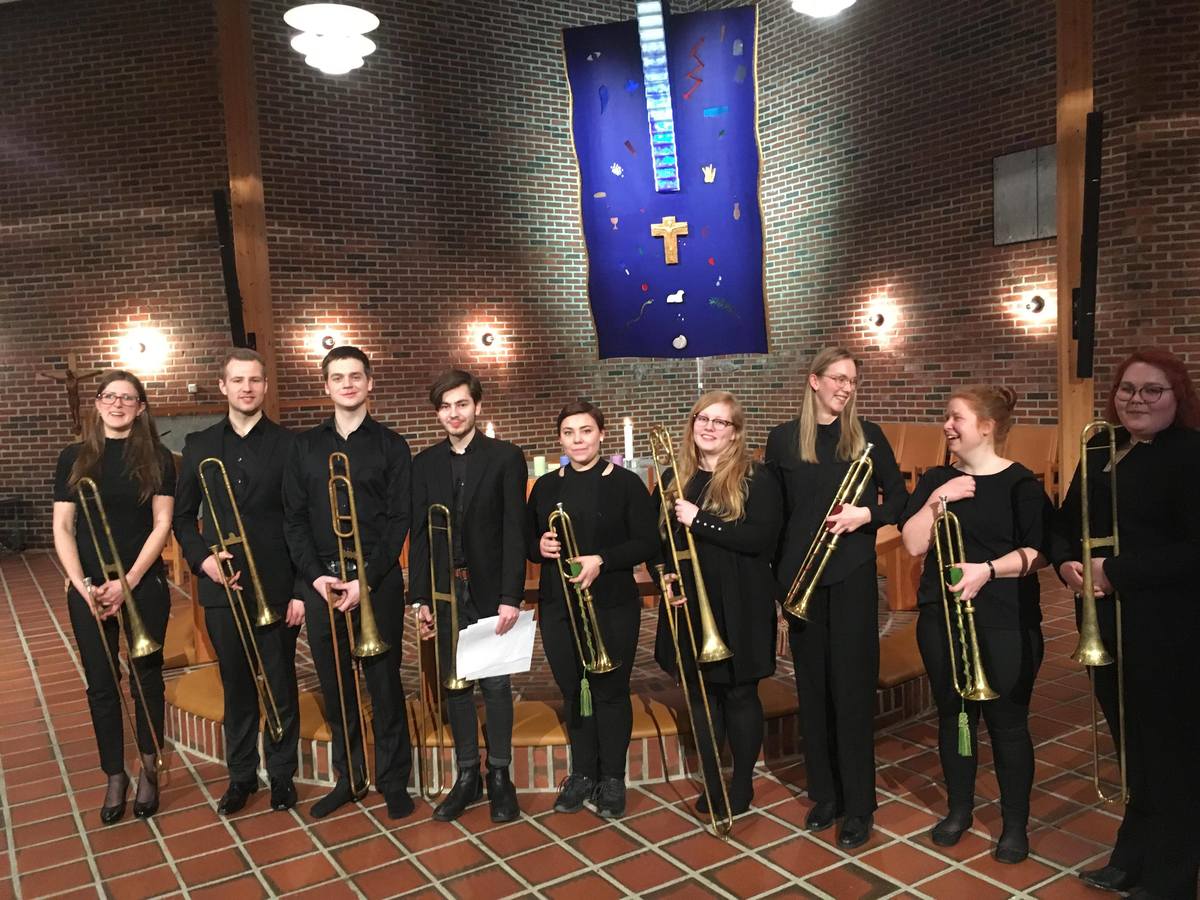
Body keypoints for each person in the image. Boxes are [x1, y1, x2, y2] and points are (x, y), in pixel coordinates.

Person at [1050, 348, 1200, 899]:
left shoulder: (1191, 453)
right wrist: (1065, 563)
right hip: (1104, 623)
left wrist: (1114, 572)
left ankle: (1171, 878)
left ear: (1176, 396)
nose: (1137, 399)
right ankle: (1131, 855)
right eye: (1128, 389)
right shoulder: (1099, 445)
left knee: (1170, 755)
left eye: (1152, 390)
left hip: (1167, 629)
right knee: (1130, 747)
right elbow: (1064, 522)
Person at [900, 386, 1049, 864]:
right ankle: (959, 810)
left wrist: (987, 570)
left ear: (987, 427)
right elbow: (913, 544)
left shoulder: (1021, 484)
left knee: (1008, 725)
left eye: (956, 417)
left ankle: (1014, 825)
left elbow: (1039, 552)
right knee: (954, 716)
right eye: (946, 417)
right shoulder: (938, 479)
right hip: (942, 620)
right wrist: (937, 499)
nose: (947, 425)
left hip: (1005, 620)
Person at [765, 346, 907, 849]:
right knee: (813, 691)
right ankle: (824, 794)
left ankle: (859, 805)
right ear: (814, 381)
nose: (846, 388)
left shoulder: (868, 436)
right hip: (801, 581)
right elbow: (776, 515)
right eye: (838, 378)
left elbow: (901, 498)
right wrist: (777, 585)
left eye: (852, 381)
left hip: (850, 577)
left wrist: (865, 515)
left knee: (851, 692)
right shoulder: (783, 440)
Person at [282, 345, 414, 820]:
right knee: (336, 685)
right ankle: (349, 777)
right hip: (323, 584)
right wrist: (316, 577)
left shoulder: (392, 445)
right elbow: (294, 520)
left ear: (369, 382)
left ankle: (393, 780)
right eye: (338, 377)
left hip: (376, 583)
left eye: (355, 376)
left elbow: (399, 520)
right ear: (326, 386)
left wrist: (367, 580)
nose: (348, 384)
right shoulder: (304, 447)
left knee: (385, 685)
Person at [173, 348, 301, 815]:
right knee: (237, 683)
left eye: (255, 380)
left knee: (280, 681)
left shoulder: (291, 445)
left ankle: (282, 773)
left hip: (277, 584)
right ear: (223, 386)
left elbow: (300, 520)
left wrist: (300, 591)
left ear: (265, 386)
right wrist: (203, 560)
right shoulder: (199, 445)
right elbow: (183, 518)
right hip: (222, 585)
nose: (247, 388)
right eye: (238, 380)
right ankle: (242, 775)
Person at [52, 370, 176, 823]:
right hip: (88, 585)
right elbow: (63, 526)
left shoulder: (158, 457)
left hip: (141, 582)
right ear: (97, 403)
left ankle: (149, 765)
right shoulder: (73, 457)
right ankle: (114, 774)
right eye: (109, 396)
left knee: (147, 677)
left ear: (141, 407)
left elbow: (162, 523)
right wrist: (80, 581)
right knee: (102, 683)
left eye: (127, 398)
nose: (117, 404)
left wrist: (128, 581)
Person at [653, 391, 782, 820]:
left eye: (720, 421)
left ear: (735, 433)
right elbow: (659, 542)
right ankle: (711, 778)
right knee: (701, 694)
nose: (708, 427)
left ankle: (741, 781)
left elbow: (760, 539)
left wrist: (701, 520)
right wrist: (663, 575)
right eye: (702, 418)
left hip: (741, 599)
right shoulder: (674, 476)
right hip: (690, 598)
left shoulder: (756, 477)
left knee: (741, 693)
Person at [528, 400, 658, 818]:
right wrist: (539, 545)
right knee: (573, 690)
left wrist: (601, 559)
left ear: (601, 434)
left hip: (611, 603)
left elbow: (647, 542)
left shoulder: (626, 483)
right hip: (559, 605)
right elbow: (529, 540)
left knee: (611, 691)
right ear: (559, 439)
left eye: (586, 431)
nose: (578, 440)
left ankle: (613, 778)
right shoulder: (545, 487)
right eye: (569, 433)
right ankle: (583, 774)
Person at [408, 369, 526, 823]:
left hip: (489, 589)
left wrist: (510, 595)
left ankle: (500, 775)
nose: (454, 414)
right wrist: (420, 597)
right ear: (437, 413)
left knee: (495, 685)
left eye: (461, 404)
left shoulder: (505, 457)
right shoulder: (425, 463)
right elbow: (420, 536)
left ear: (477, 405)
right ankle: (466, 775)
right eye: (445, 407)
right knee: (455, 686)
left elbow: (514, 531)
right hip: (444, 591)